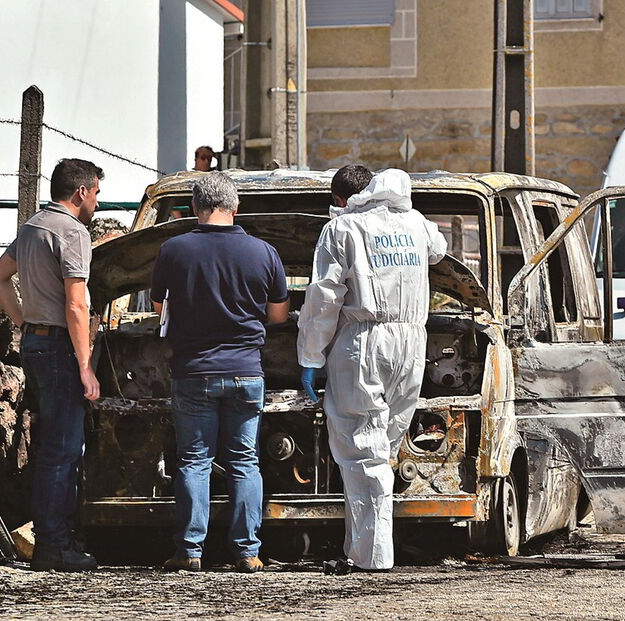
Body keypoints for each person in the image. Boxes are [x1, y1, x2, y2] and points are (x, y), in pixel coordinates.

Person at [298, 166, 448, 574]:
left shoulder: (343, 229)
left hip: (363, 343)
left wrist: (310, 357)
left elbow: (324, 298)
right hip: (412, 344)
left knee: (362, 450)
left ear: (341, 199)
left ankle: (374, 555)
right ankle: (362, 546)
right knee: (382, 446)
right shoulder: (415, 222)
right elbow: (439, 248)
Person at [150, 171, 289, 573]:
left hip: (193, 371)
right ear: (236, 206)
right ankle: (248, 552)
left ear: (195, 207)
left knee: (193, 461)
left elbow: (160, 307)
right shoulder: (264, 252)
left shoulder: (173, 249)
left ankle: (190, 551)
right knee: (245, 461)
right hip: (247, 371)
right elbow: (277, 314)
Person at [0, 158, 104, 572]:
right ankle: (54, 545)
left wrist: (22, 320)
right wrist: (86, 365)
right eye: (95, 193)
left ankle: (53, 539)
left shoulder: (33, 226)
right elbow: (77, 303)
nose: (96, 202)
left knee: (51, 445)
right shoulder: (73, 232)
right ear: (81, 192)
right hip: (59, 348)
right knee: (63, 448)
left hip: (36, 343)